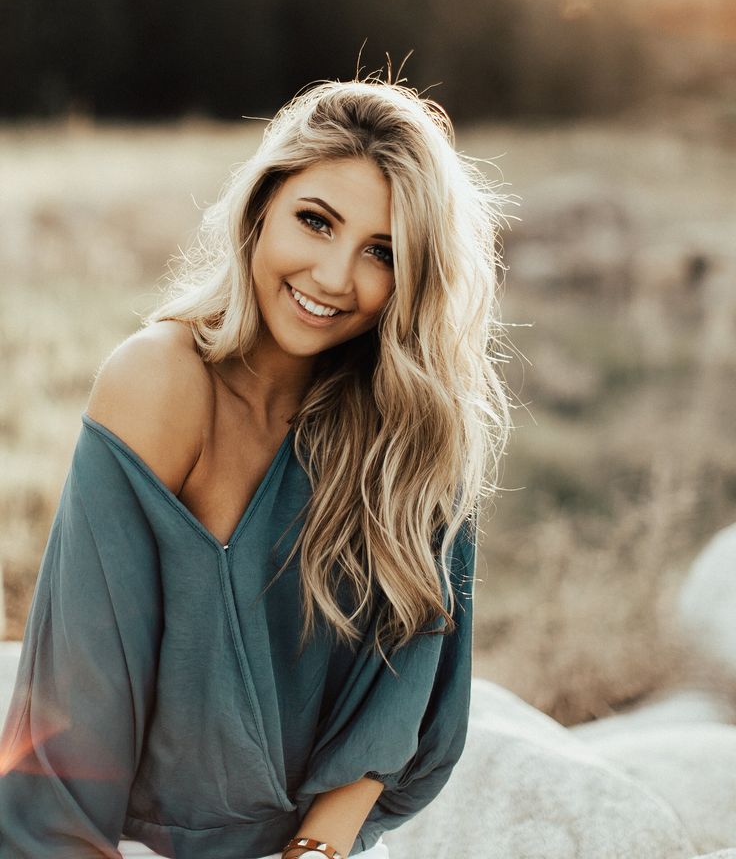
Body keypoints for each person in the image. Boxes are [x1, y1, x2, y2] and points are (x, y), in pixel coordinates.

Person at [0, 78, 511, 859]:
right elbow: (76, 703)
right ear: (261, 206)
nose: (336, 278)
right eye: (316, 222)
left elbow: (407, 681)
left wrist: (312, 852)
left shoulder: (416, 427)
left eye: (381, 252)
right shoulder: (161, 382)